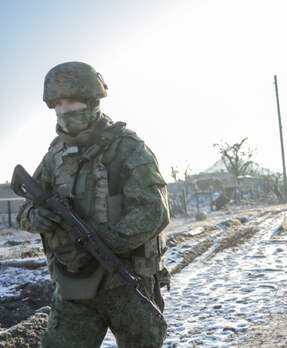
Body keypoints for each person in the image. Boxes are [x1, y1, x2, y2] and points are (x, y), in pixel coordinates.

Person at [17, 61, 170, 348]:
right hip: (73, 285)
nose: (64, 110)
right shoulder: (55, 156)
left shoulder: (127, 147)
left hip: (126, 282)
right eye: (57, 104)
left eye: (72, 101)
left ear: (92, 100)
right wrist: (37, 216)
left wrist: (98, 243)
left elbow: (153, 211)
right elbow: (25, 210)